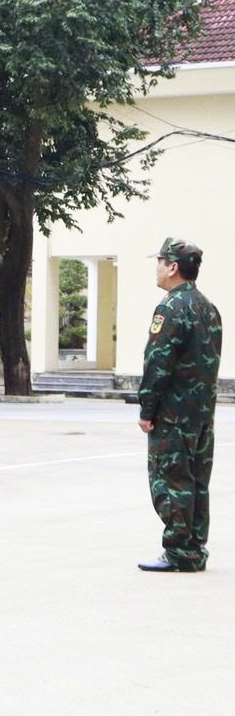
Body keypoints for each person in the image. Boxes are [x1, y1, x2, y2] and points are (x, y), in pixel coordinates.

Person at [136, 238, 221, 573]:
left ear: (173, 267)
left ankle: (179, 552)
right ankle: (194, 549)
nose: (157, 268)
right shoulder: (207, 307)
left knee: (170, 481)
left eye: (160, 262)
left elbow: (158, 362)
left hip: (173, 415)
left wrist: (147, 409)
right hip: (201, 415)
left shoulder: (171, 308)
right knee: (197, 482)